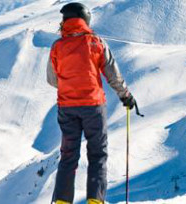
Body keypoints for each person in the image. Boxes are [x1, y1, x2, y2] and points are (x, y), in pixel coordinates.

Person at [46, 2, 137, 204]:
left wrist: (70, 86)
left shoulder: (57, 47)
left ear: (66, 21)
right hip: (93, 107)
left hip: (67, 108)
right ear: (85, 20)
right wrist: (126, 96)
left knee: (68, 156)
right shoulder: (96, 43)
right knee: (97, 154)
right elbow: (113, 75)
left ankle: (62, 201)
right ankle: (95, 200)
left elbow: (52, 80)